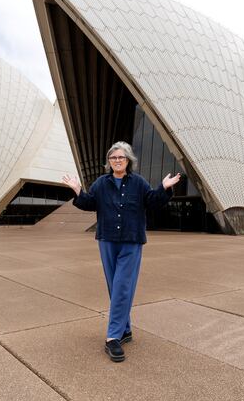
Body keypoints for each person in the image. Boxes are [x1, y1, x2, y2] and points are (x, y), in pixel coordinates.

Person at [62, 141, 181, 362]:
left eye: (121, 157)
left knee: (122, 286)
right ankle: (125, 329)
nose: (117, 161)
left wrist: (164, 188)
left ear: (128, 161)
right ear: (109, 162)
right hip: (107, 239)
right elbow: (89, 203)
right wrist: (78, 191)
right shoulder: (101, 183)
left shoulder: (138, 183)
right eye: (114, 158)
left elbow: (153, 202)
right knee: (114, 286)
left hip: (131, 241)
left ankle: (113, 337)